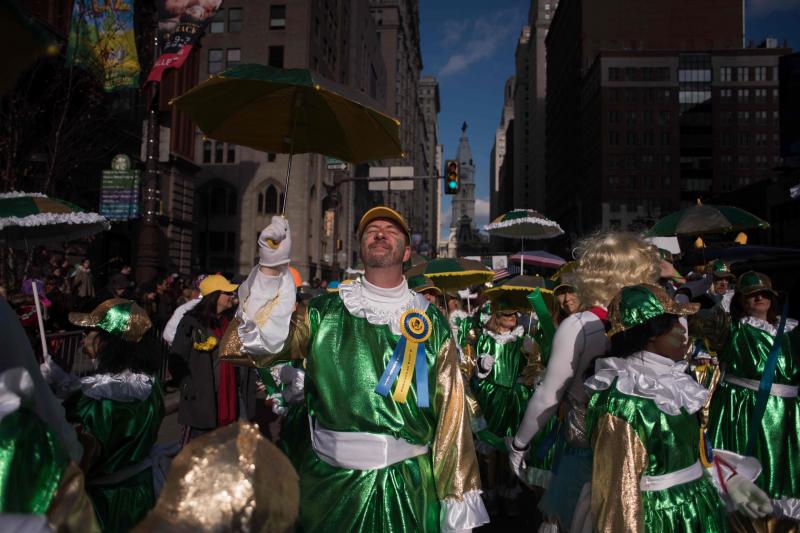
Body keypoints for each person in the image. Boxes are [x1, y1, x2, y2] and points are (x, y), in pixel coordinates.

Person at [220, 206, 488, 532]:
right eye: (371, 229)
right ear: (360, 247)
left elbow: (452, 416)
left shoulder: (431, 324)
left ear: (406, 252)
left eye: (391, 230)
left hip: (407, 489)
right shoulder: (322, 312)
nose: (379, 233)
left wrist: (457, 496)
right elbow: (251, 348)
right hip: (329, 487)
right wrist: (271, 270)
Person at [507, 232, 661, 532]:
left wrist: (519, 444)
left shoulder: (580, 325)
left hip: (587, 455)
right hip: (644, 457)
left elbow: (549, 396)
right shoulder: (656, 322)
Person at [586, 284, 772, 532]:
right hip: (661, 520)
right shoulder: (626, 399)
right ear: (652, 332)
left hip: (696, 508)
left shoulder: (675, 382)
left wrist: (728, 480)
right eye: (673, 323)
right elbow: (618, 495)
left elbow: (687, 450)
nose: (684, 331)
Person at [692, 271, 800, 527]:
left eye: (764, 294)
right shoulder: (734, 328)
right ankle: (751, 522)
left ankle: (783, 523)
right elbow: (704, 327)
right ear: (740, 300)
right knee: (754, 466)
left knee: (786, 469)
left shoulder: (793, 330)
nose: (759, 298)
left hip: (789, 410)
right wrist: (717, 298)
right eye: (751, 295)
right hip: (745, 408)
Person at [62, 299, 165, 532]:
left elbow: (77, 458)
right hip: (141, 493)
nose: (85, 338)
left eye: (91, 333)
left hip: (104, 504)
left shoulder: (101, 401)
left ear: (111, 342)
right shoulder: (149, 386)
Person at [470, 301, 537, 513]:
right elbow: (475, 370)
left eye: (514, 315)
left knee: (511, 446)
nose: (513, 318)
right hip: (491, 397)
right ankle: (490, 492)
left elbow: (530, 367)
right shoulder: (485, 339)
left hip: (514, 398)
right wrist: (481, 366)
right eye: (507, 314)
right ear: (497, 315)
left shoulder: (521, 339)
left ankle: (509, 491)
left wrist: (530, 357)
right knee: (491, 448)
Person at [171, 274, 239, 444]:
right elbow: (176, 357)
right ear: (215, 296)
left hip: (224, 396)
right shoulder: (191, 322)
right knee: (195, 455)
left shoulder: (227, 322)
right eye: (227, 293)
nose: (232, 297)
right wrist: (188, 385)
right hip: (201, 400)